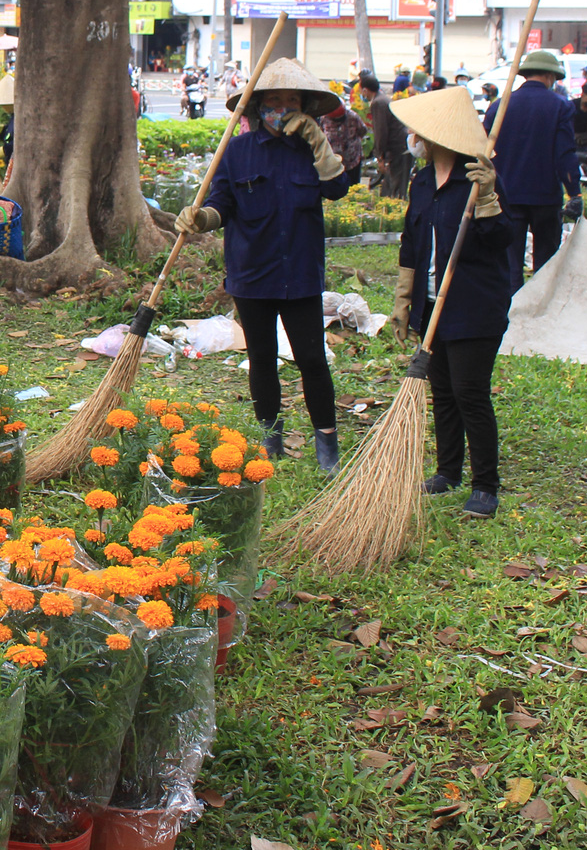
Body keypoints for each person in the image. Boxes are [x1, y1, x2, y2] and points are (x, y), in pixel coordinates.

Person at [176, 60, 353, 472]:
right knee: (262, 357)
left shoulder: (311, 148)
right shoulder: (237, 152)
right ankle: (269, 436)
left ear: (305, 107)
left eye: (292, 100)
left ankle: (326, 441)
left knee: (312, 360)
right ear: (258, 107)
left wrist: (318, 141)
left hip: (301, 276)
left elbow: (338, 189)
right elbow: (221, 203)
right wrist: (202, 218)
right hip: (252, 274)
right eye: (275, 100)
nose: (284, 107)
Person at [386, 87, 513, 520]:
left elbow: (502, 243)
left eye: (417, 130)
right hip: (430, 305)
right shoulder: (422, 181)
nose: (411, 136)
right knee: (442, 391)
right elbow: (412, 241)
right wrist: (405, 299)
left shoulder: (479, 178)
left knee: (469, 392)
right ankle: (448, 472)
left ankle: (485, 485)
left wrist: (490, 200)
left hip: (474, 305)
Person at [481, 49, 582, 285]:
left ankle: (511, 311)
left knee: (510, 262)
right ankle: (540, 311)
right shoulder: (560, 106)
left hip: (507, 195)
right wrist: (574, 191)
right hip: (545, 196)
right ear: (550, 76)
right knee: (546, 263)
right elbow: (565, 154)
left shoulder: (498, 107)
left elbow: (485, 151)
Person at [360, 72, 411, 199]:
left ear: (365, 90)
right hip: (402, 146)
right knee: (395, 185)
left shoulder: (378, 103)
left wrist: (380, 156)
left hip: (397, 148)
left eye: (361, 91)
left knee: (395, 188)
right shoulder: (383, 99)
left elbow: (380, 131)